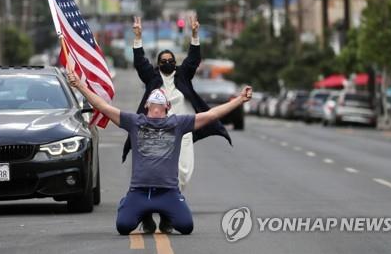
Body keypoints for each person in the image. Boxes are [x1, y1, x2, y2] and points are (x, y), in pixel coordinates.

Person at [66, 66, 252, 235]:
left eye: (161, 96)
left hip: (168, 192)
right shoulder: (135, 122)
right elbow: (103, 106)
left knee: (186, 227)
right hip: (139, 191)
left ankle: (166, 216)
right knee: (123, 227)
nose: (157, 95)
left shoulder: (178, 123)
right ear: (146, 105)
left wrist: (239, 100)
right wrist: (80, 85)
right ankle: (136, 209)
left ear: (168, 106)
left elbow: (211, 115)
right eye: (153, 96)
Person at [125, 16, 232, 232]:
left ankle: (167, 211)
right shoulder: (152, 78)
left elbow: (194, 59)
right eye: (163, 60)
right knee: (151, 174)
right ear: (158, 64)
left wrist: (194, 35)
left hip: (181, 134)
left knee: (183, 173)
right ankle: (146, 213)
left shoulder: (183, 75)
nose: (166, 63)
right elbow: (140, 62)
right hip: (154, 135)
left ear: (175, 62)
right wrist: (137, 37)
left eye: (170, 60)